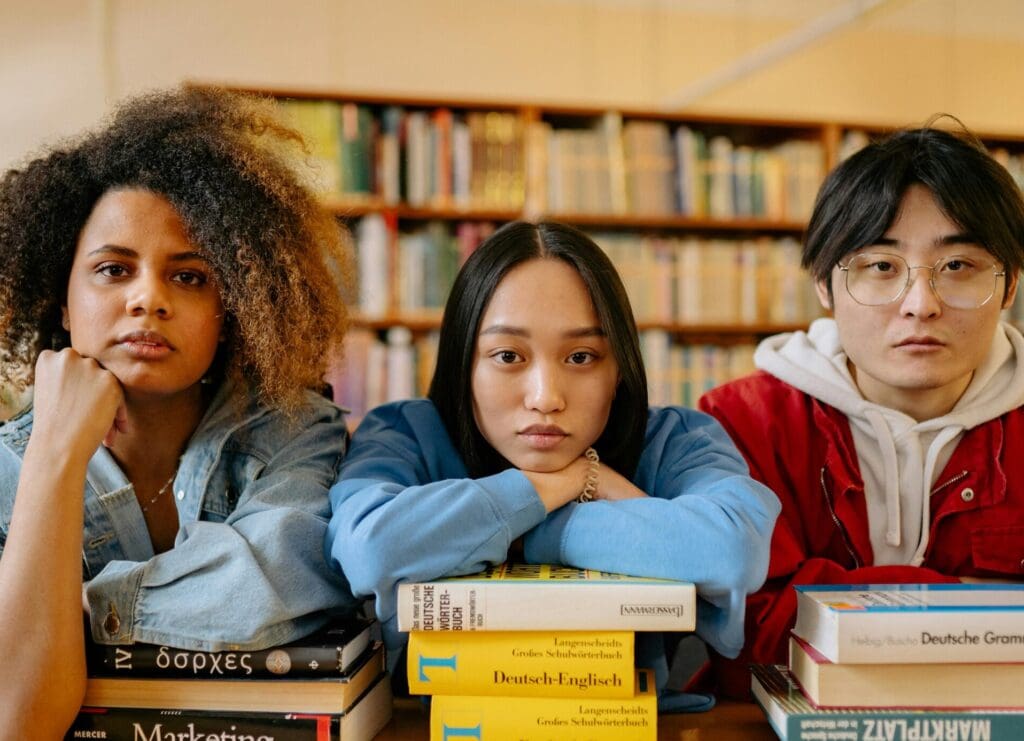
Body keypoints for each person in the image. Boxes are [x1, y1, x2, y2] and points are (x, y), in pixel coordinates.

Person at [0, 86, 358, 736]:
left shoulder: (298, 432)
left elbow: (273, 579)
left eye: (189, 276)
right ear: (60, 298)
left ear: (233, 310)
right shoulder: (7, 465)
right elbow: (16, 720)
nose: (148, 299)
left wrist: (73, 608)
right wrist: (53, 450)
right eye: (113, 269)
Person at [325, 220, 780, 704]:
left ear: (620, 367)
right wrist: (562, 484)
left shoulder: (675, 440)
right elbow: (370, 548)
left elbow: (733, 549)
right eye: (507, 355)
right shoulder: (404, 434)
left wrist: (529, 531)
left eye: (581, 357)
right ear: (463, 362)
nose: (546, 398)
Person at [699, 124, 1024, 698]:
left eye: (958, 267)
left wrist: (827, 595)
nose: (920, 305)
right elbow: (744, 637)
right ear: (825, 284)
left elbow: (789, 618)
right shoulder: (740, 424)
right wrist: (973, 604)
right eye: (880, 267)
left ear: (1010, 286)